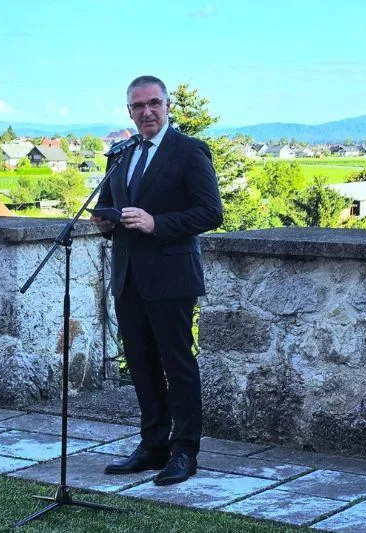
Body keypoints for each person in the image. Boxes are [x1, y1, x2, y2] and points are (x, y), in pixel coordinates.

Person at [91, 75, 223, 485]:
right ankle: (152, 446)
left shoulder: (189, 151)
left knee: (177, 365)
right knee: (141, 364)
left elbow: (211, 213)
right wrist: (105, 222)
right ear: (129, 111)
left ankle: (185, 451)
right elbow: (108, 205)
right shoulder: (121, 153)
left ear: (167, 106)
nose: (146, 112)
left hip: (171, 276)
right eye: (138, 106)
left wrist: (156, 223)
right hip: (128, 276)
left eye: (153, 103)